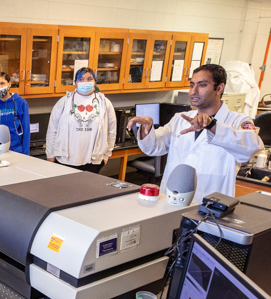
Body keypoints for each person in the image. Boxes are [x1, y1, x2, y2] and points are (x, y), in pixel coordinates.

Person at [128, 64, 264, 203]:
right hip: (171, 199)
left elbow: (251, 148)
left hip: (210, 204)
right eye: (192, 85)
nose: (194, 91)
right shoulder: (180, 119)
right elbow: (154, 147)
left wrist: (212, 126)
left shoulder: (237, 121)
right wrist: (146, 130)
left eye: (202, 85)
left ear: (219, 88)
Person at [46, 67, 116, 173]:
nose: (85, 82)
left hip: (93, 162)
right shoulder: (64, 102)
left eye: (89, 79)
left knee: (88, 189)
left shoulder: (104, 103)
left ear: (95, 82)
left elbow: (111, 132)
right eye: (81, 79)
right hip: (65, 160)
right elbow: (52, 130)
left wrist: (106, 156)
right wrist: (50, 155)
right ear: (75, 82)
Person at [0, 72, 31, 154]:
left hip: (17, 151)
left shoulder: (21, 103)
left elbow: (26, 130)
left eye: (2, 83)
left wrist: (26, 154)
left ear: (9, 84)